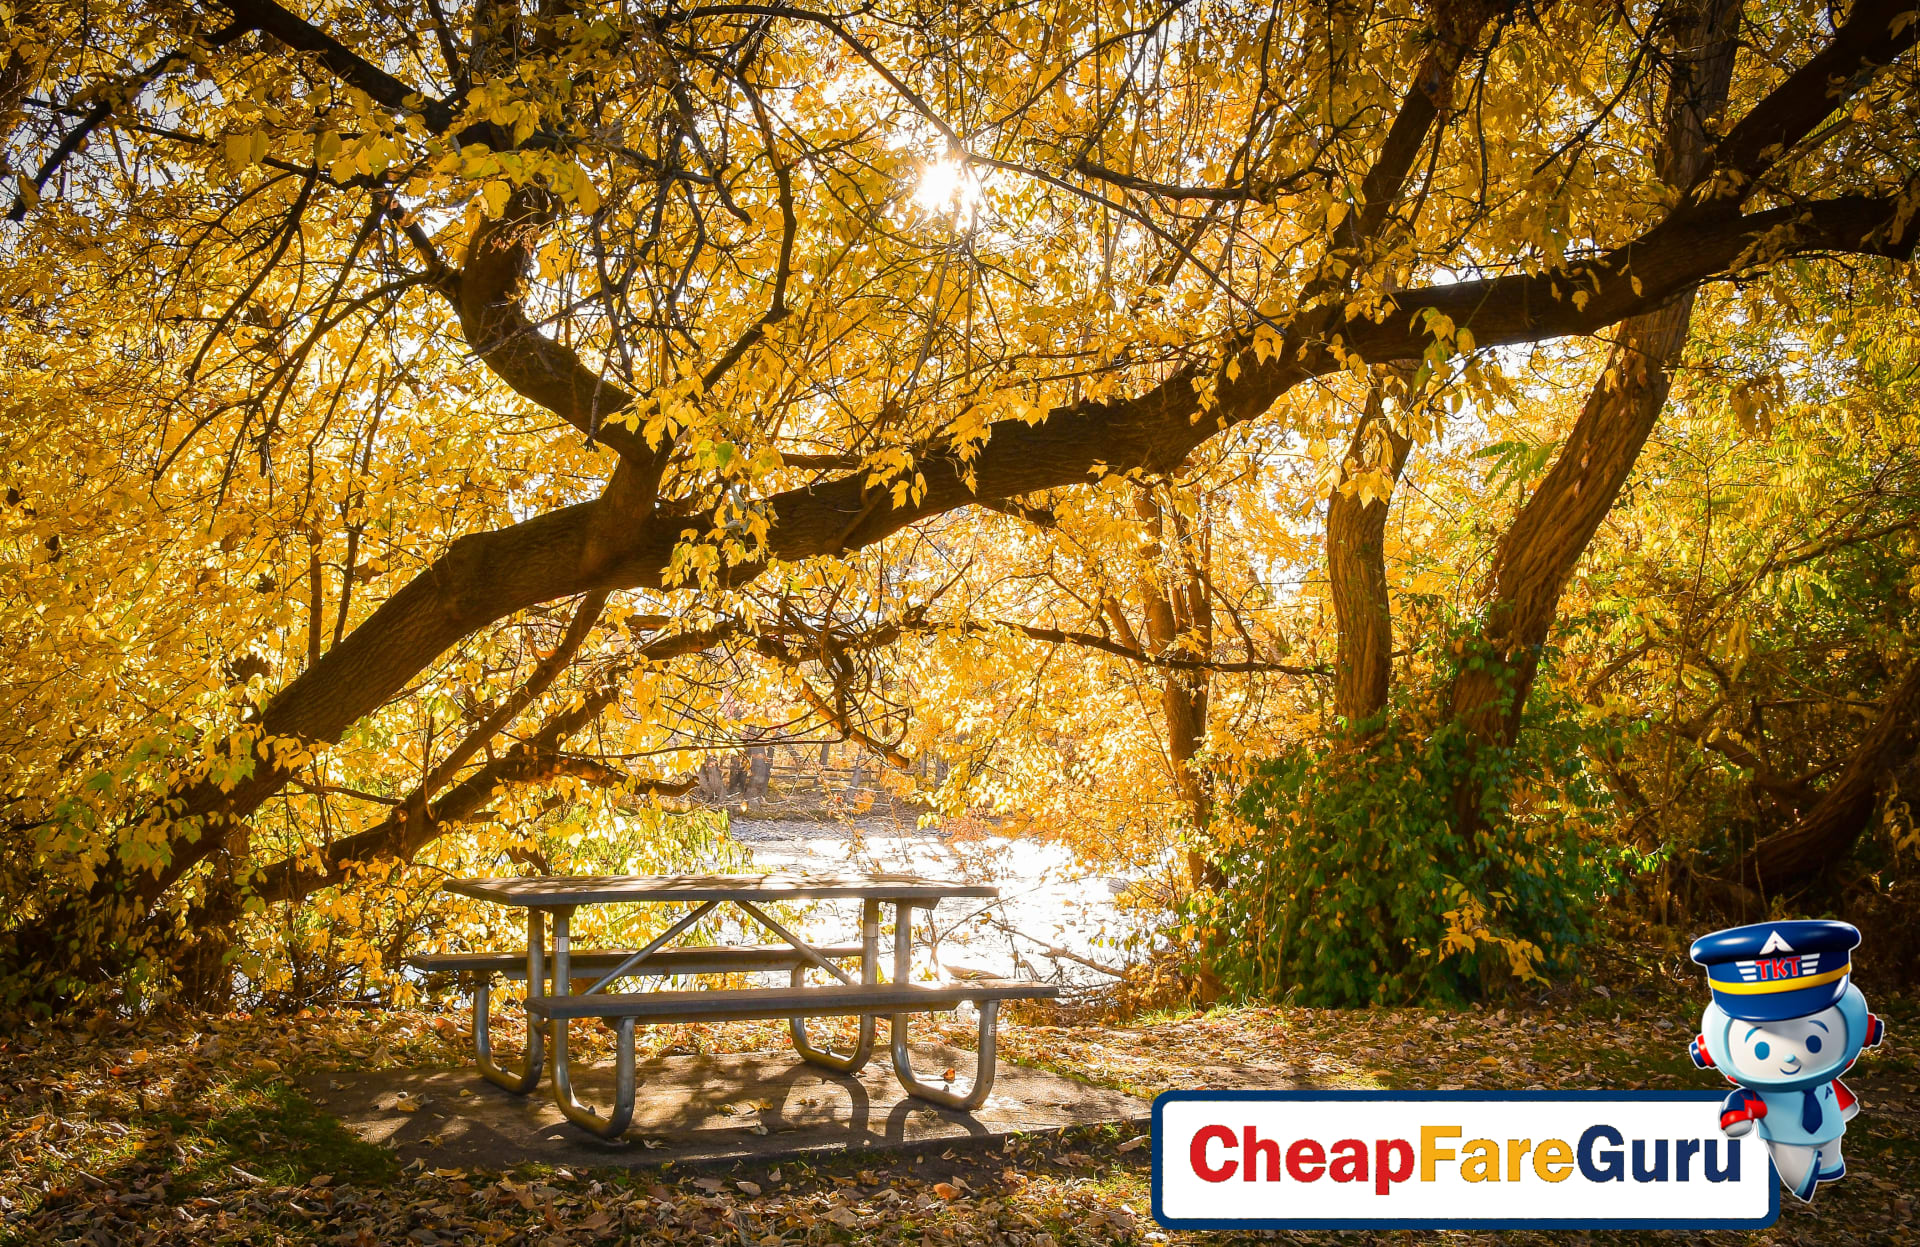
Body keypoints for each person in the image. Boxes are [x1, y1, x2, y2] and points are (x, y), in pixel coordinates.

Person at [1687, 920, 1886, 1202]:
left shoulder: (1828, 1073)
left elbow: (1834, 1095)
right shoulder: (1756, 1086)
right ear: (1708, 1049)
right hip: (1785, 1139)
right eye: (1763, 1047)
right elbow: (1742, 1106)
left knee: (1830, 1155)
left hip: (1830, 1127)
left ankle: (1829, 1167)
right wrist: (1738, 1117)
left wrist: (1845, 1107)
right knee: (1797, 1169)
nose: (1791, 1055)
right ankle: (1803, 1180)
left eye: (1812, 1040)